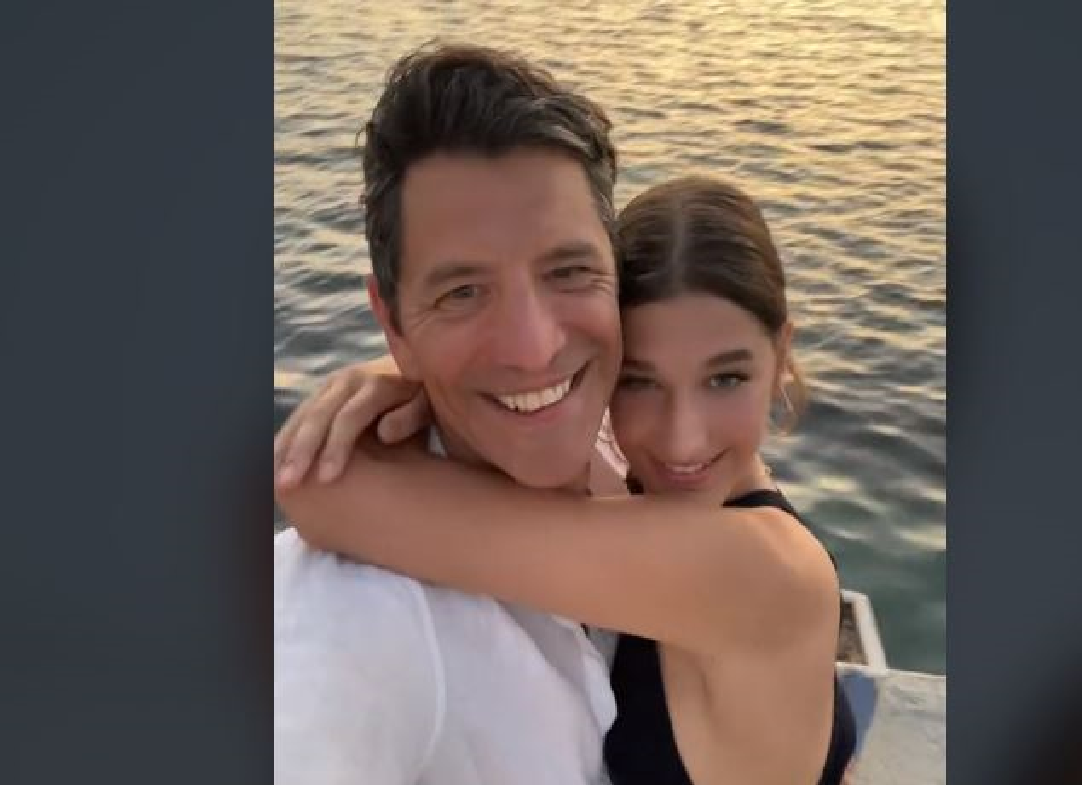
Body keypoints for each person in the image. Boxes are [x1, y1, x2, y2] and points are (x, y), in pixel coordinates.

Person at [277, 175, 858, 784]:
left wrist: (415, 368)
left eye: (726, 378)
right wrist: (414, 374)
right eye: (638, 381)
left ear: (781, 355)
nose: (682, 439)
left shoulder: (764, 573)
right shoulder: (653, 489)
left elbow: (325, 493)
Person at [273, 42, 627, 784]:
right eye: (462, 293)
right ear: (393, 324)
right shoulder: (355, 619)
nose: (534, 349)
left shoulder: (643, 442)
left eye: (569, 271)